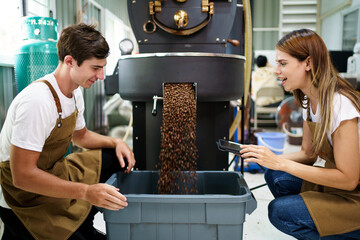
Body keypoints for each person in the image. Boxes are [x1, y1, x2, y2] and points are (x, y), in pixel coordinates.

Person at [0, 23, 136, 240]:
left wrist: (116, 142)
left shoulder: (74, 92)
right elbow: (22, 177)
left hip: (53, 171)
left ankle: (83, 220)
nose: (101, 76)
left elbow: (81, 136)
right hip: (23, 196)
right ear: (70, 61)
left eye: (103, 67)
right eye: (95, 68)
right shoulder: (37, 101)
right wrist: (85, 192)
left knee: (114, 158)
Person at [240, 29, 360, 239]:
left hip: (354, 196)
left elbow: (349, 180)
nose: (277, 71)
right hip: (339, 189)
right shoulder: (308, 100)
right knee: (275, 174)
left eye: (283, 63)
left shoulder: (340, 104)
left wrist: (281, 162)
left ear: (308, 63)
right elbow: (308, 153)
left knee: (281, 212)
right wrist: (265, 157)